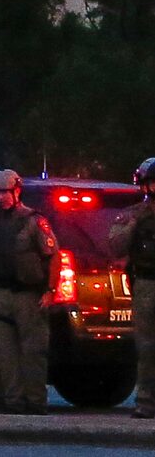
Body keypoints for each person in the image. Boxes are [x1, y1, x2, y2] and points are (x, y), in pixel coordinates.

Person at [0, 170, 59, 414]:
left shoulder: (33, 220)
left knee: (33, 351)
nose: (1, 197)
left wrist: (50, 290)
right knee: (6, 355)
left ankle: (35, 402)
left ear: (16, 191)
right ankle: (14, 403)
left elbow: (53, 256)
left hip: (29, 296)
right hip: (0, 295)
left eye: (5, 192)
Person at [110, 157, 155, 420]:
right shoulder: (133, 214)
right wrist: (133, 224)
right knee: (147, 347)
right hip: (147, 284)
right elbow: (115, 246)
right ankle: (147, 402)